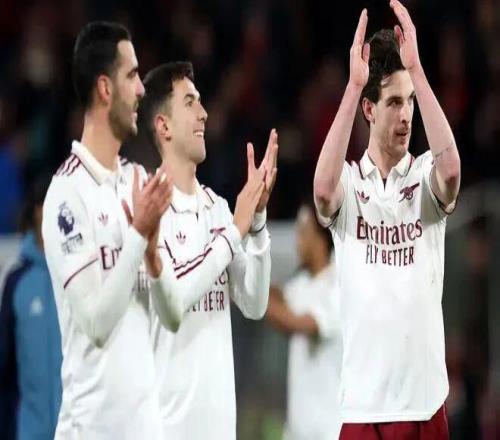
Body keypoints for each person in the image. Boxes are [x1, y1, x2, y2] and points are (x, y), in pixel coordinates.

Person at [313, 1, 460, 439]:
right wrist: (352, 86)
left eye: (409, 101)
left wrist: (417, 72)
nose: (406, 114)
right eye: (394, 102)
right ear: (369, 109)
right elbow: (323, 192)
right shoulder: (350, 184)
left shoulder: (424, 176)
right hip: (364, 408)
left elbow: (451, 171)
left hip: (424, 406)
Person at [42, 22, 171, 439]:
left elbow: (171, 318)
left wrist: (154, 257)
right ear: (104, 88)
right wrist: (138, 236)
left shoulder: (137, 182)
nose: (141, 90)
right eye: (131, 75)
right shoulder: (67, 195)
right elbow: (96, 323)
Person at [136, 61, 277, 439]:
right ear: (163, 126)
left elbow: (254, 303)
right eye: (190, 103)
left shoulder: (217, 209)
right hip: (166, 429)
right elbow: (176, 297)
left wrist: (257, 221)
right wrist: (234, 232)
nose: (204, 113)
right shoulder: (148, 209)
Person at [266, 202, 342, 440]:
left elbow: (300, 324)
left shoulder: (339, 282)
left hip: (330, 430)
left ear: (320, 236)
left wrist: (256, 300)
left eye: (303, 231)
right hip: (297, 431)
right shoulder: (300, 284)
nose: (297, 240)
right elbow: (279, 299)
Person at [0, 176, 62, 440]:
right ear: (36, 211)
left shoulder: (79, 274)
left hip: (76, 431)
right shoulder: (17, 281)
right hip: (28, 432)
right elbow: (5, 365)